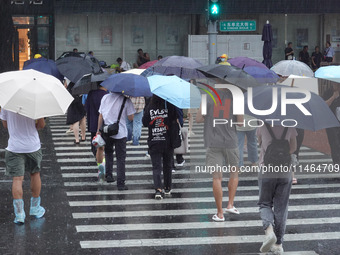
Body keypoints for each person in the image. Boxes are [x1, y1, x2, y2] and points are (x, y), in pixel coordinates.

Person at [196, 88, 243, 221]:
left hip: (213, 141)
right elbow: (240, 122)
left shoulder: (207, 97)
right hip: (231, 140)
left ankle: (220, 213)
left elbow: (199, 119)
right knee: (234, 173)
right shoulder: (236, 98)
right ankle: (230, 204)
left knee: (217, 178)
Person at [0, 109, 46, 224]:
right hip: (32, 146)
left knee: (17, 178)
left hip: (14, 147)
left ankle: (19, 214)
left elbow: (5, 125)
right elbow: (41, 125)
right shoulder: (35, 103)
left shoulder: (7, 104)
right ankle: (35, 208)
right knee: (35, 174)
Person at [257, 124, 297, 253]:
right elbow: (294, 147)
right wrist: (282, 154)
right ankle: (279, 244)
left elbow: (259, 143)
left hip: (266, 169)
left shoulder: (262, 125)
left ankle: (269, 231)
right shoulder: (290, 125)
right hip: (285, 170)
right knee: (281, 207)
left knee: (264, 203)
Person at [97, 93, 135, 188]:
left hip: (107, 131)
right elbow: (131, 118)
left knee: (108, 153)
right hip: (121, 132)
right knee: (121, 158)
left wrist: (98, 130)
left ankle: (109, 175)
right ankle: (121, 183)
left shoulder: (105, 97)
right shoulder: (127, 100)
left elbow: (101, 115)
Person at [143, 95, 177, 199]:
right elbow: (175, 119)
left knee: (156, 166)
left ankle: (158, 189)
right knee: (168, 165)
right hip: (168, 140)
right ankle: (167, 187)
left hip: (154, 140)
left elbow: (145, 122)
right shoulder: (169, 106)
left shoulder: (150, 107)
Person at [84, 82, 108, 180]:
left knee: (96, 143)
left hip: (92, 122)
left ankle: (98, 161)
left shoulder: (91, 93)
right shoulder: (107, 96)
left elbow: (86, 107)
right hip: (104, 123)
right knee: (103, 146)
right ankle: (103, 163)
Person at [64, 78, 87, 144]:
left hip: (72, 97)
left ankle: (77, 139)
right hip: (81, 97)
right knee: (82, 117)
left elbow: (65, 86)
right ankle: (83, 136)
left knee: (75, 119)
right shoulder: (83, 75)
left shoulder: (68, 75)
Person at [323, 83, 340, 165]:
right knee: (334, 143)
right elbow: (323, 106)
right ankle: (337, 162)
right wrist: (333, 97)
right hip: (331, 122)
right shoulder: (328, 92)